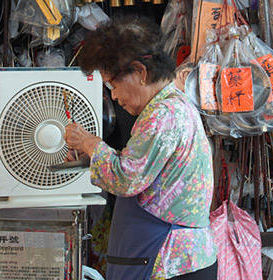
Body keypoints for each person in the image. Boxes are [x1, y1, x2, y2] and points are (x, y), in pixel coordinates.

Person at [64, 17, 217, 280]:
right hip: (174, 260)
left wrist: (90, 143)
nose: (112, 95)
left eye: (113, 84)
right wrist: (90, 157)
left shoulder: (163, 114)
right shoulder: (170, 106)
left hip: (172, 263)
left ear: (140, 72)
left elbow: (126, 178)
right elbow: (141, 171)